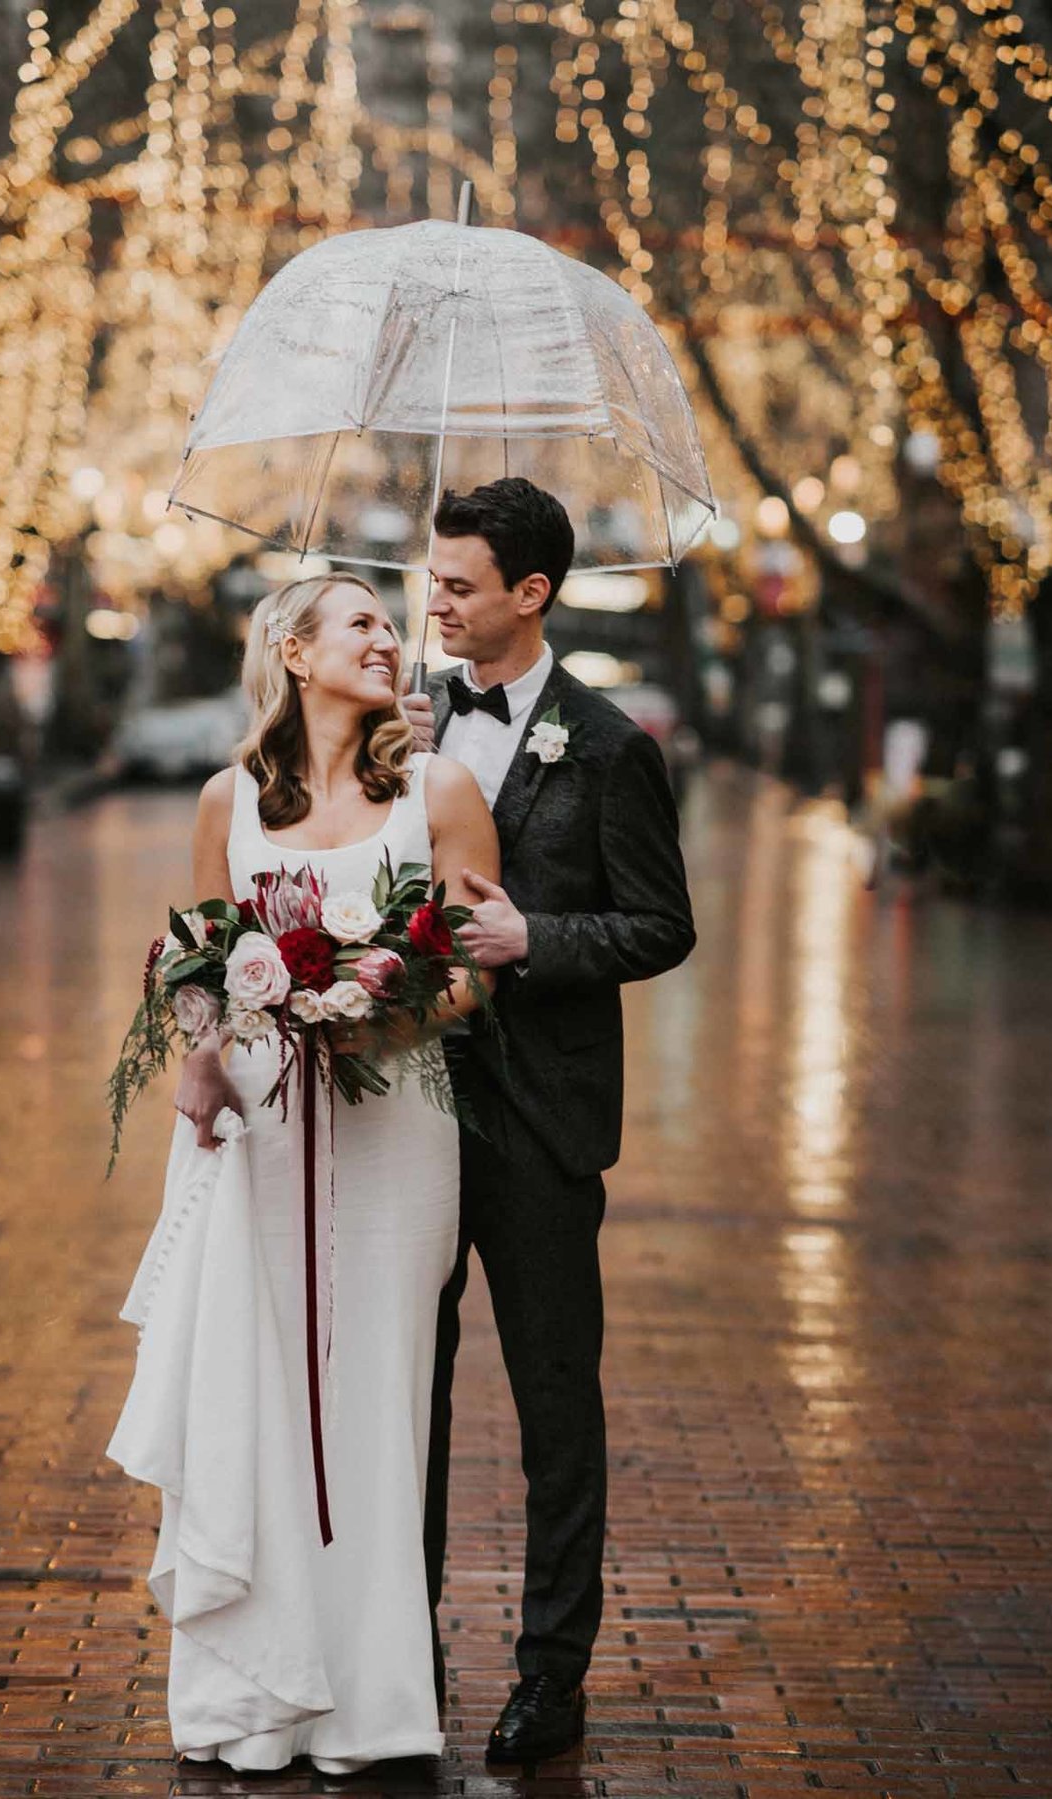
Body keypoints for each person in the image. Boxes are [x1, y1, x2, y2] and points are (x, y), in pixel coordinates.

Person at [107, 571, 499, 1775]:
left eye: (394, 623)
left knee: (380, 1395)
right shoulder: (229, 797)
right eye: (364, 624)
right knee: (258, 1383)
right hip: (261, 1130)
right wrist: (196, 1055)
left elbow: (478, 960)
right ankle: (254, 1693)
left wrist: (386, 1014)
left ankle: (369, 1705)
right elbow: (203, 958)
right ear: (292, 650)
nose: (392, 639)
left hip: (398, 1131)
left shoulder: (439, 789)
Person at [408, 476, 696, 1765]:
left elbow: (660, 923)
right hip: (408, 1108)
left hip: (541, 1118)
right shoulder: (402, 728)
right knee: (402, 1397)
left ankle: (551, 1676)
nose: (437, 601)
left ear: (531, 593)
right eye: (435, 577)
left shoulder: (612, 744)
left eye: (460, 583)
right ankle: (396, 1652)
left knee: (552, 1401)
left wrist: (539, 937)